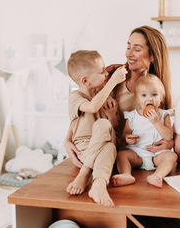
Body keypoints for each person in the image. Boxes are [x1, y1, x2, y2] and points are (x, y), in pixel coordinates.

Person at [65, 26, 173, 169]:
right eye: (128, 47)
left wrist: (170, 143)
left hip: (132, 156)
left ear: (153, 56)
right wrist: (67, 140)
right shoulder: (110, 76)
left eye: (137, 49)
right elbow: (85, 110)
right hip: (102, 151)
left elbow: (163, 125)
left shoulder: (156, 89)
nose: (129, 54)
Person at [65, 50, 127, 207]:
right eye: (101, 71)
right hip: (85, 148)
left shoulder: (105, 96)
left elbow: (112, 130)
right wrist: (113, 81)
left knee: (109, 139)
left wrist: (112, 116)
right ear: (85, 81)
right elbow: (92, 107)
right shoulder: (75, 97)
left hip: (103, 147)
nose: (106, 74)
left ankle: (92, 180)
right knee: (106, 137)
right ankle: (92, 178)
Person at [112, 74, 176, 188]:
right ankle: (126, 174)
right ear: (137, 98)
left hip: (157, 155)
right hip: (137, 154)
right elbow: (125, 134)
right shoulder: (132, 116)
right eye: (144, 95)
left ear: (161, 97)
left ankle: (157, 175)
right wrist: (128, 138)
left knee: (171, 156)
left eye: (155, 95)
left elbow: (169, 136)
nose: (149, 98)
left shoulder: (164, 114)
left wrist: (156, 122)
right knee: (121, 155)